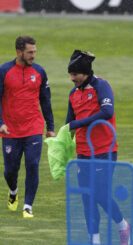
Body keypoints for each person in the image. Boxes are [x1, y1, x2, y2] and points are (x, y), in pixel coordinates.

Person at [65, 50, 130, 245]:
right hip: (82, 153)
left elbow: (107, 111)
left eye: (75, 74)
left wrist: (78, 124)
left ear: (85, 73)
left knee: (100, 193)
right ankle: (95, 240)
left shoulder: (101, 86)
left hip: (104, 150)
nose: (71, 79)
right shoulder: (73, 94)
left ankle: (122, 225)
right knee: (87, 196)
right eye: (70, 74)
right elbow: (70, 121)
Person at [0, 36, 55, 218]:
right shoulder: (4, 71)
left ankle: (28, 206)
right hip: (10, 130)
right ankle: (13, 191)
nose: (33, 55)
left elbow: (45, 101)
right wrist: (1, 123)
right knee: (10, 171)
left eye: (35, 52)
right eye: (30, 52)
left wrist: (50, 126)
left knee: (32, 164)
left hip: (33, 128)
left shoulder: (39, 72)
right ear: (19, 52)